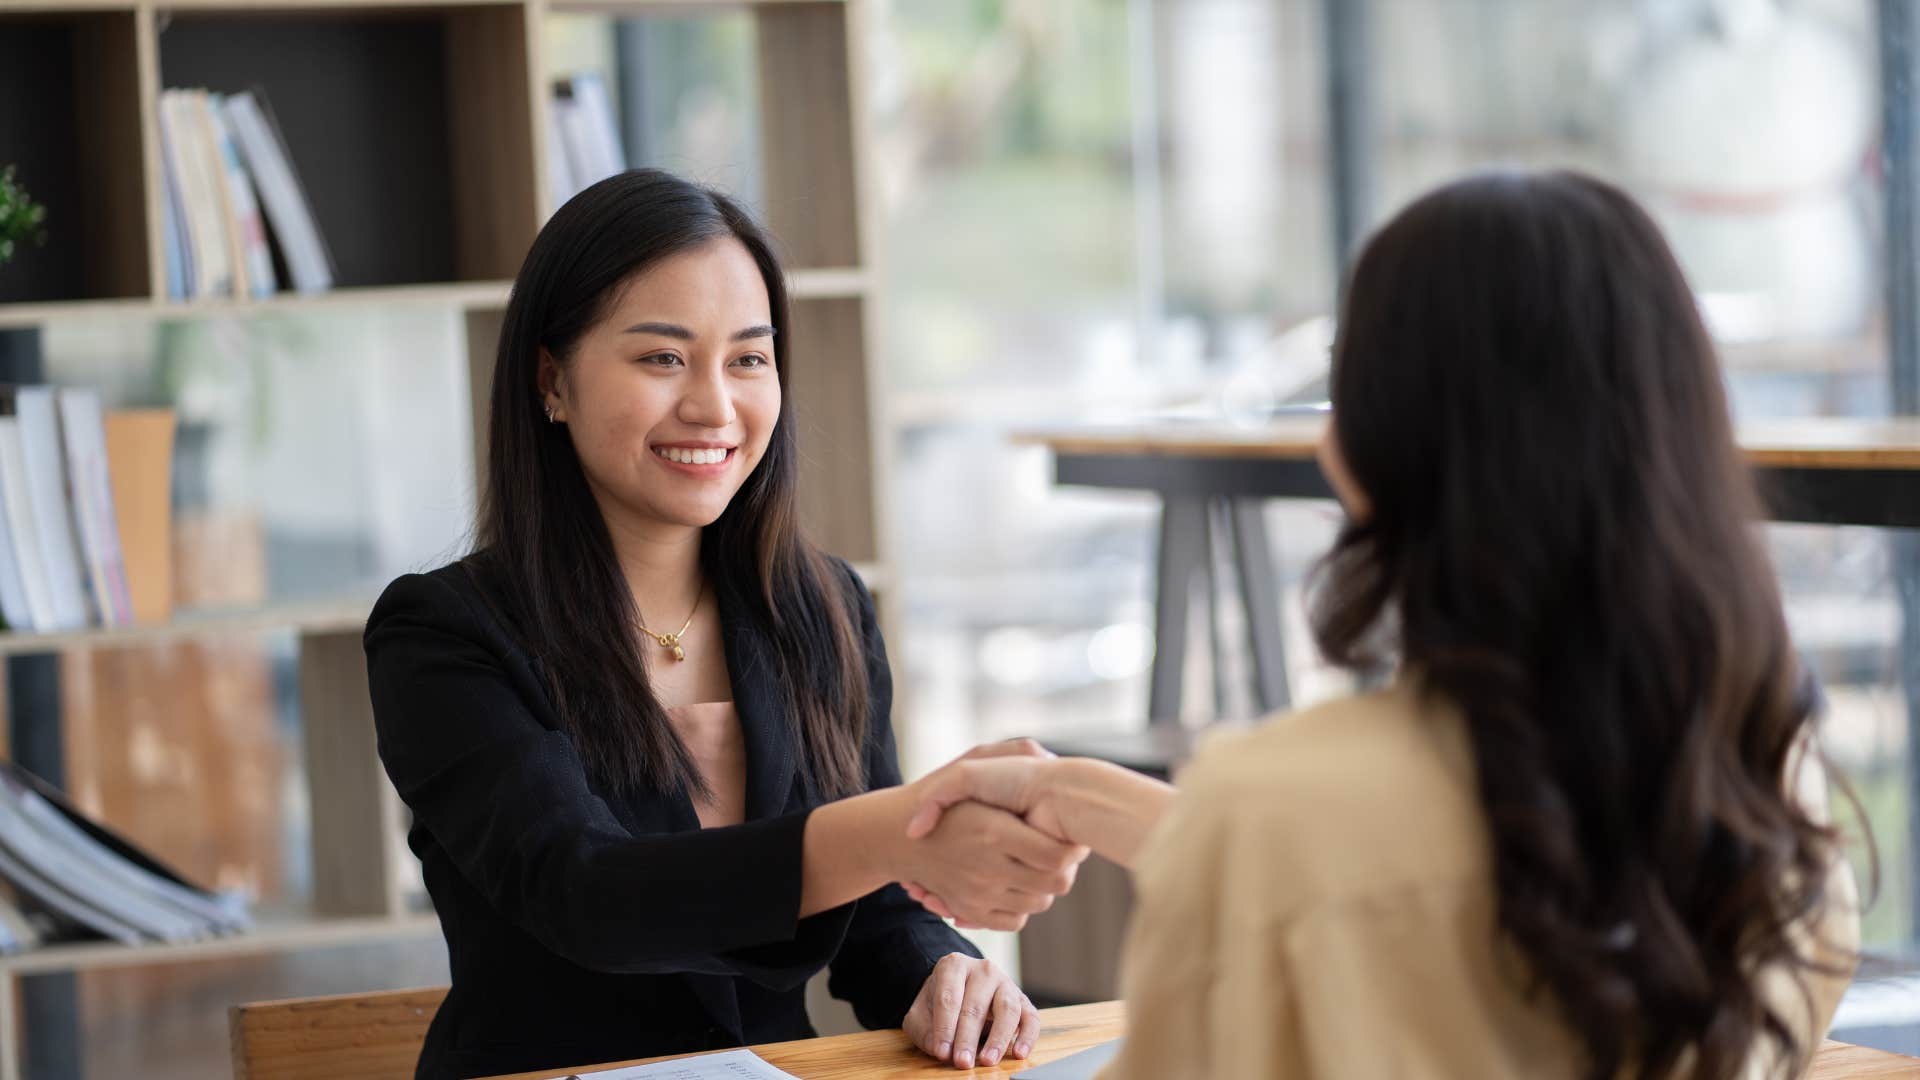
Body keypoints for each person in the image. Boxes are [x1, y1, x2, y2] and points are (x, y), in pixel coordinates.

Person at [906, 170, 1863, 1079]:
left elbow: (1339, 863)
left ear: (1361, 452)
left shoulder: (1272, 813)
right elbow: (1464, 863)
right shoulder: (1766, 780)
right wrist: (1081, 795)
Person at [364, 169, 1085, 1080]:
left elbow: (874, 913)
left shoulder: (820, 606)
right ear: (552, 380)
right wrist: (901, 827)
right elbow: (588, 896)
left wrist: (946, 971)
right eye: (662, 358)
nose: (714, 406)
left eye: (748, 358)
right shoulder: (443, 634)